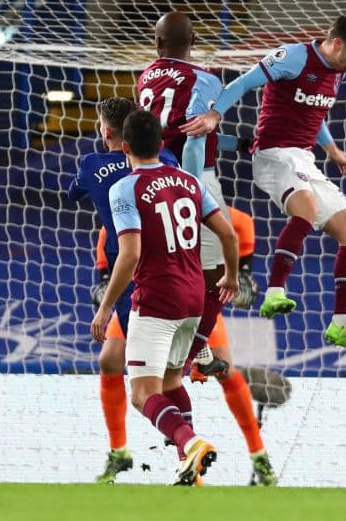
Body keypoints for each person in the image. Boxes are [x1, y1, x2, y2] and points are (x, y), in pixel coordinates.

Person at [181, 14, 346, 357]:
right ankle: (274, 291)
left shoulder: (335, 73)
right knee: (307, 208)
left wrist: (331, 149)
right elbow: (243, 83)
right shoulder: (294, 57)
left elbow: (313, 113)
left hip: (303, 159)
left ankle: (343, 324)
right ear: (337, 43)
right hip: (274, 154)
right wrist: (215, 115)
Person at [90, 109, 239, 486]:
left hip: (157, 299)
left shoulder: (124, 188)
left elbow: (130, 254)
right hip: (194, 298)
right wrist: (233, 276)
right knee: (172, 384)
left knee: (142, 394)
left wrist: (107, 307)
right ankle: (188, 467)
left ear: (124, 147)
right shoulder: (189, 181)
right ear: (161, 144)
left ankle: (192, 444)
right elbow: (228, 235)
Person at [95, 204, 277, 486]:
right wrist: (106, 288)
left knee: (223, 369)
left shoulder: (231, 217)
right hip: (155, 298)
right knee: (110, 358)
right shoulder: (124, 216)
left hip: (191, 298)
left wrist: (240, 278)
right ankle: (120, 452)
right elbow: (107, 264)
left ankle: (258, 454)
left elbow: (241, 265)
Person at [66, 96, 180, 483]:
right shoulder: (168, 165)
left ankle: (186, 439)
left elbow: (73, 193)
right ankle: (120, 452)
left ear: (107, 132)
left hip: (135, 272)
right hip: (175, 262)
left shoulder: (92, 164)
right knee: (110, 361)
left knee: (153, 377)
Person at [137, 11, 246, 380]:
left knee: (173, 265)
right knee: (216, 272)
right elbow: (196, 134)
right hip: (192, 179)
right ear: (195, 41)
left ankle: (185, 349)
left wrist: (239, 144)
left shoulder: (145, 77)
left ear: (156, 43)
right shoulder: (205, 79)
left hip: (153, 179)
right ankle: (195, 350)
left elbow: (177, 130)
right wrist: (192, 186)